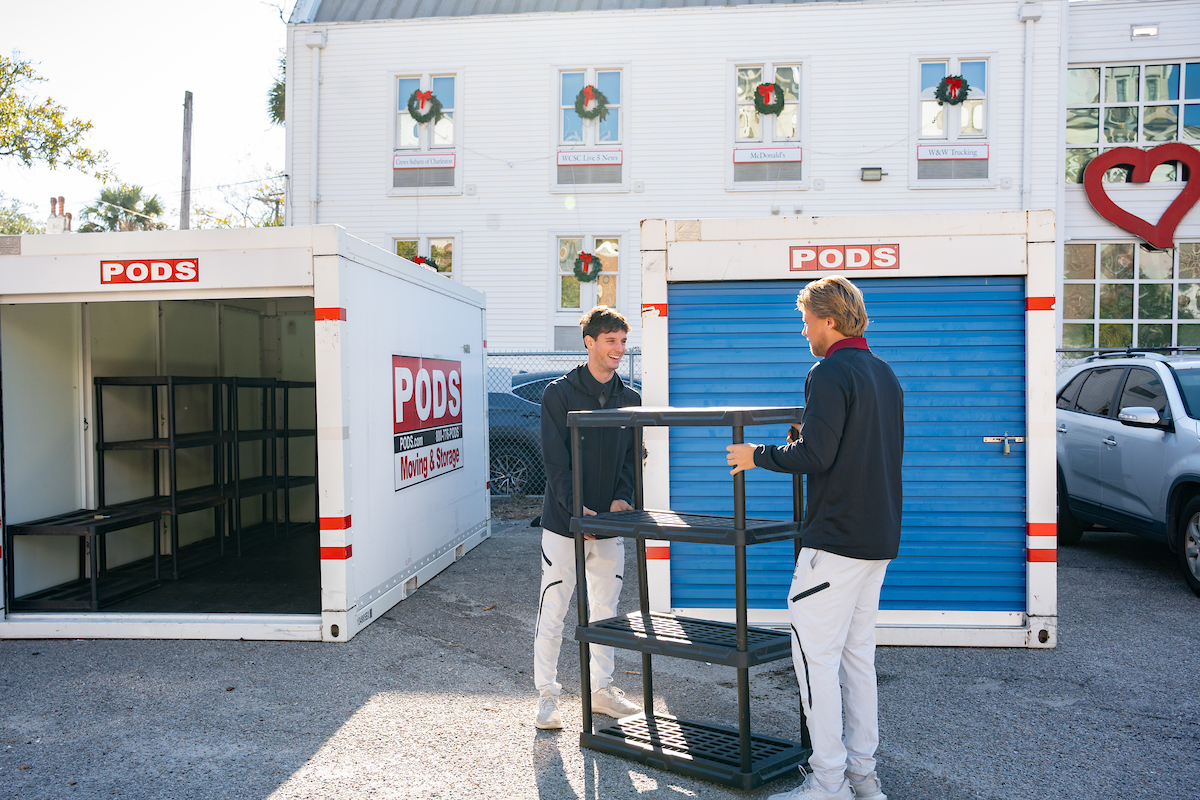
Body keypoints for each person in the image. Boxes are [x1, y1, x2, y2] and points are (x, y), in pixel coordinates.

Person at [725, 276, 903, 800]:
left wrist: (755, 454)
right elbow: (858, 448)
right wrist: (806, 439)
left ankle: (829, 785)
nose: (803, 332)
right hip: (877, 539)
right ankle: (864, 781)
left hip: (834, 542)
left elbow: (818, 458)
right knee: (857, 661)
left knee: (815, 662)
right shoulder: (884, 374)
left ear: (828, 321)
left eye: (806, 321)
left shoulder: (828, 372)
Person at [533, 305, 643, 730]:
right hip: (565, 523)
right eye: (611, 341)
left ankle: (601, 691)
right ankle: (546, 697)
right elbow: (554, 461)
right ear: (590, 343)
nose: (618, 349)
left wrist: (622, 498)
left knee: (606, 612)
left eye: (623, 342)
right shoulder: (558, 394)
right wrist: (574, 506)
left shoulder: (629, 398)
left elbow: (632, 459)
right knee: (554, 608)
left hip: (610, 527)